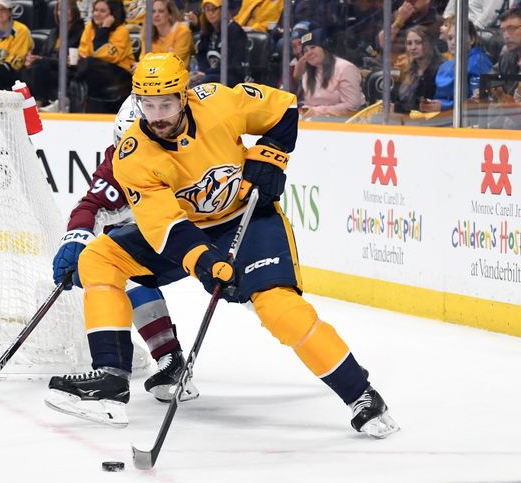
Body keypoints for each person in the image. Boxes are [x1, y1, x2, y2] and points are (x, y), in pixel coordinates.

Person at [47, 52, 399, 438]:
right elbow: (166, 227)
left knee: (279, 308)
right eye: (148, 105)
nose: (157, 114)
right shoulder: (132, 155)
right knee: (101, 256)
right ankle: (111, 380)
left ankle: (361, 396)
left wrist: (270, 156)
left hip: (249, 220)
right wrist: (207, 264)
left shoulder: (218, 102)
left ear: (184, 96)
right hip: (190, 233)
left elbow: (283, 108)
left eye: (166, 103)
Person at [45, 97, 198, 426]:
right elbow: (92, 205)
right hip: (164, 242)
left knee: (263, 297)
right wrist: (76, 239)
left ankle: (136, 372)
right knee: (121, 268)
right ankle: (166, 364)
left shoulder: (192, 152)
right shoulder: (119, 161)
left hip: (203, 236)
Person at [71, 0, 134, 113]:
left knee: (87, 64)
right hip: (93, 69)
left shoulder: (121, 31)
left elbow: (108, 56)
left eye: (102, 11)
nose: (97, 14)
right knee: (47, 64)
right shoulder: (90, 27)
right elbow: (83, 52)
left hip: (119, 74)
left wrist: (104, 28)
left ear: (113, 15)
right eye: (96, 10)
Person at [23, 0, 84, 110]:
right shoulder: (54, 32)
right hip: (49, 69)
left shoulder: (81, 31)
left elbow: (70, 60)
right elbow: (43, 54)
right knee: (26, 71)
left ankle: (40, 102)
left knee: (39, 66)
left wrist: (41, 59)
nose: (63, 12)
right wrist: (32, 59)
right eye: (60, 9)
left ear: (74, 11)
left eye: (67, 9)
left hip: (68, 71)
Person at [419, 21, 493, 113]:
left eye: (458, 37)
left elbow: (479, 100)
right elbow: (439, 100)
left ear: (472, 39)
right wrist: (430, 105)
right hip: (441, 118)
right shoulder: (444, 66)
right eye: (450, 38)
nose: (453, 42)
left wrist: (445, 107)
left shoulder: (479, 61)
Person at [299, 28, 365, 118]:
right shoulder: (307, 74)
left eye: (313, 47)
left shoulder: (345, 68)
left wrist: (317, 111)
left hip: (347, 123)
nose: (309, 53)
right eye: (305, 51)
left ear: (325, 48)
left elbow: (352, 106)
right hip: (316, 122)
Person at [192, 0, 248, 87]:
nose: (210, 13)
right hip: (210, 75)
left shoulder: (234, 30)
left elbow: (233, 64)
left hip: (232, 76)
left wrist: (207, 73)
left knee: (206, 81)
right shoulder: (207, 32)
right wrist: (201, 72)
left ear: (222, 10)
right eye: (207, 10)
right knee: (190, 80)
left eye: (214, 9)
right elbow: (201, 56)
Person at [393, 25, 442, 114]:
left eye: (418, 42)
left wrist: (397, 108)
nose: (413, 47)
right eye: (409, 43)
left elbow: (425, 105)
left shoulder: (441, 69)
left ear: (429, 43)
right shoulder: (409, 69)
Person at [377, 0, 442, 57]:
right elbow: (381, 43)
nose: (409, 2)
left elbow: (438, 52)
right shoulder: (396, 16)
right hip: (387, 62)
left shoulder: (438, 22)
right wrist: (399, 21)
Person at [140, 0, 194, 65]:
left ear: (170, 14)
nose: (156, 15)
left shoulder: (182, 31)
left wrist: (150, 63)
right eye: (153, 11)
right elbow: (143, 60)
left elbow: (174, 62)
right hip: (151, 74)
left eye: (161, 11)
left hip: (175, 74)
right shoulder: (147, 34)